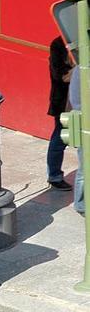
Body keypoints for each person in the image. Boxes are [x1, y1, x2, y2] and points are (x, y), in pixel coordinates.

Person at [47, 36, 74, 190]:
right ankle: (54, 176)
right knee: (59, 139)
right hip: (65, 102)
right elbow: (61, 76)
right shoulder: (58, 44)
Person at [68, 65, 85, 214]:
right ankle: (81, 204)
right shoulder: (81, 69)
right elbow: (77, 101)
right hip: (85, 123)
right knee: (85, 167)